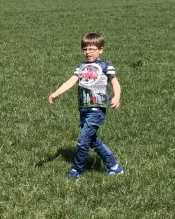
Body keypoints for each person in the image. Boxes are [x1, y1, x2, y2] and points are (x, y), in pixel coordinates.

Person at [48, 32, 124, 179]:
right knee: (92, 140)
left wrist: (117, 96)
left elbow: (115, 83)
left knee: (83, 141)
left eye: (91, 49)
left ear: (100, 50)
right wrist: (56, 93)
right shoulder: (81, 67)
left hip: (97, 109)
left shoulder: (105, 66)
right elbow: (70, 81)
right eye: (85, 49)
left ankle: (76, 170)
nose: (87, 52)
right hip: (84, 109)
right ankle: (114, 166)